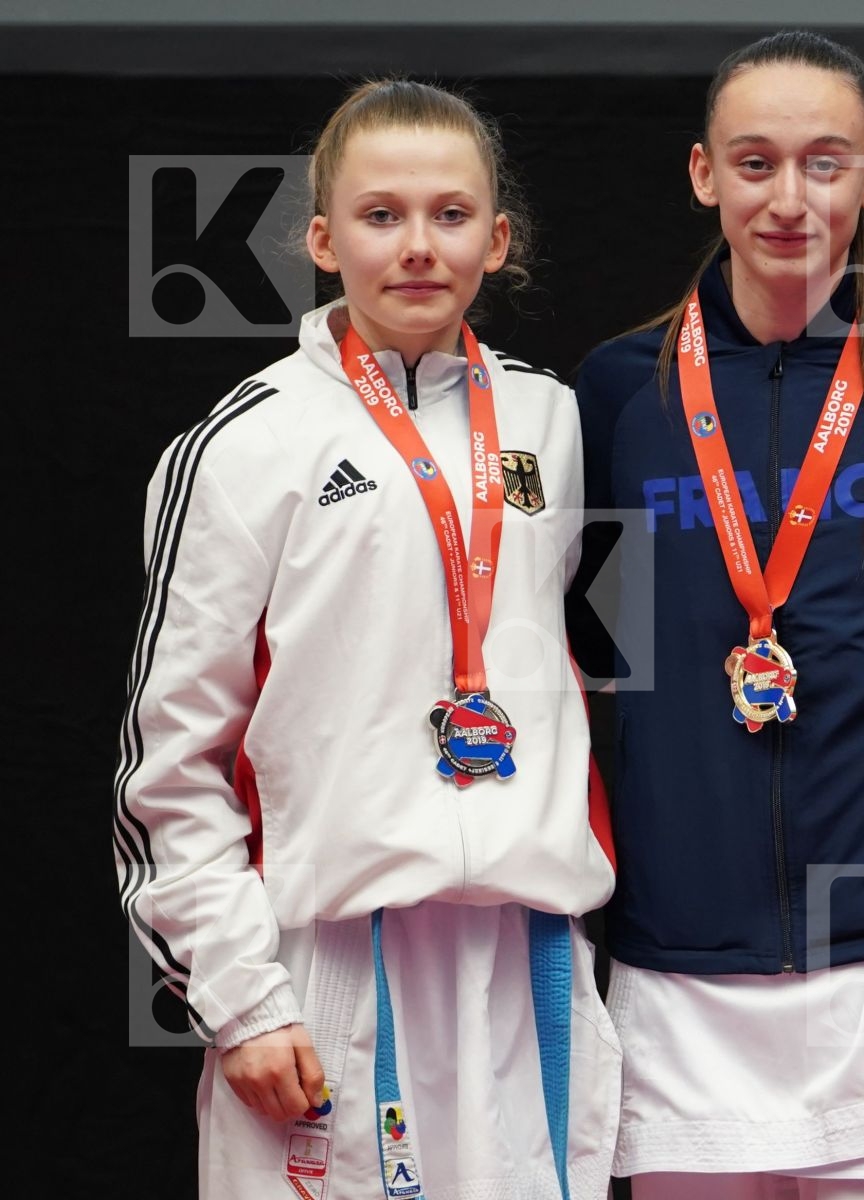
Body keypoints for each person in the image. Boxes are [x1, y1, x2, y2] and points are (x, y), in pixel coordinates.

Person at [113, 79, 620, 1199]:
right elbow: (171, 762)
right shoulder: (246, 442)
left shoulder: (550, 416)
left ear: (500, 237)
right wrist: (240, 995)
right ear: (322, 238)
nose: (418, 247)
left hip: (523, 962)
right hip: (330, 957)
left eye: (450, 214)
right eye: (380, 215)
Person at [570, 29, 864, 1199]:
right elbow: (585, 638)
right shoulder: (618, 388)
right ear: (701, 173)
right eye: (755, 161)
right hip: (687, 963)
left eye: (825, 162)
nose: (789, 196)